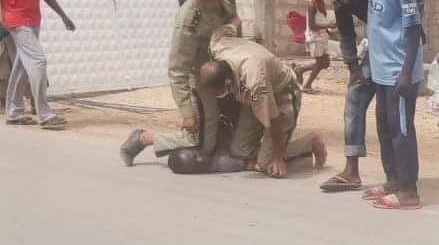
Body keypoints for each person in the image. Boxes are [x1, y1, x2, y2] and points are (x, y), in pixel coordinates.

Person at [333, 0, 424, 210]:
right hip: (383, 68)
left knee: (401, 130)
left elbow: (412, 28)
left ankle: (409, 192)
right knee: (385, 126)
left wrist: (407, 73)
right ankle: (394, 179)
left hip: (400, 68)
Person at [120, 86, 327, 173]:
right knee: (197, 140)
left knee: (196, 141)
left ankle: (144, 138)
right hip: (222, 112)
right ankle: (306, 146)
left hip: (237, 111)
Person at [199, 19, 308, 178]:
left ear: (228, 83)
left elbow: (273, 120)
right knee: (240, 151)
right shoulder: (217, 44)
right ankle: (266, 150)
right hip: (251, 98)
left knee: (266, 163)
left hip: (282, 93)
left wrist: (278, 158)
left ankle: (309, 143)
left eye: (216, 92)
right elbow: (234, 23)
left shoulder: (255, 82)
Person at [0, 0, 75, 128]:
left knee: (23, 65)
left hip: (34, 19)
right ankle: (45, 114)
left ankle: (13, 113)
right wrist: (2, 18)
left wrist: (63, 15)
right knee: (39, 61)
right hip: (16, 20)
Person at [168, 0, 237, 157]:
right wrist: (186, 112)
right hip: (201, 74)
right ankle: (146, 139)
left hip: (224, 70)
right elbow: (176, 70)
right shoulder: (189, 20)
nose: (207, 3)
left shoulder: (227, 5)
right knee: (206, 128)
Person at [303, 0, 335, 93]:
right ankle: (307, 85)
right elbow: (312, 25)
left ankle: (300, 69)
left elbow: (320, 19)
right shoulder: (312, 5)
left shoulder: (320, 3)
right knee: (321, 62)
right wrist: (328, 24)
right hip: (315, 37)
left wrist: (328, 30)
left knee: (325, 63)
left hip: (321, 35)